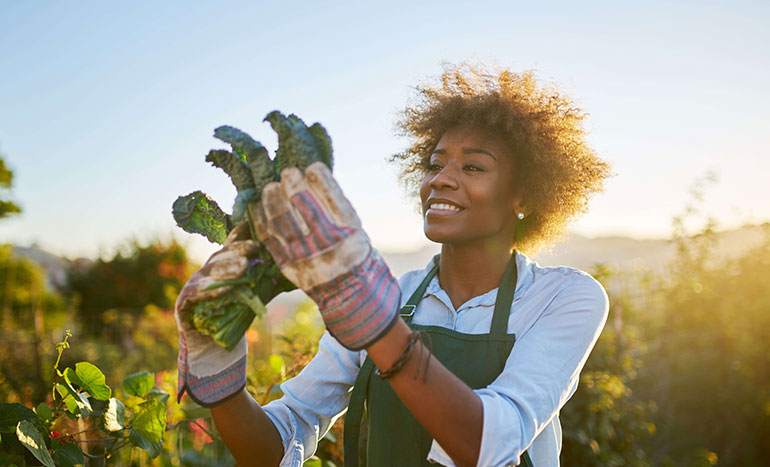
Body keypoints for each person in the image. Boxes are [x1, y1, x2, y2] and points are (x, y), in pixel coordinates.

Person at [174, 62, 612, 467]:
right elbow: (280, 439)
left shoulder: (564, 298)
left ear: (527, 196)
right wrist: (220, 380)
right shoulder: (394, 297)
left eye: (474, 166)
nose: (440, 178)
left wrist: (373, 321)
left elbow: (488, 443)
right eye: (434, 164)